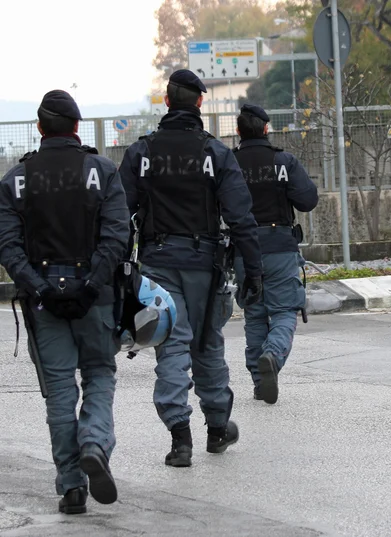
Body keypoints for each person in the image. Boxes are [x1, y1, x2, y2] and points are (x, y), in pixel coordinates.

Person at [119, 70, 262, 467]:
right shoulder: (215, 153)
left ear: (166, 102)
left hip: (158, 265)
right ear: (200, 103)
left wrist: (115, 273)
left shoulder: (141, 153)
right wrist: (254, 273)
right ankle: (217, 427)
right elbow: (241, 219)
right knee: (206, 342)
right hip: (205, 265)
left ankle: (179, 438)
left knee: (171, 344)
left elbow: (116, 217)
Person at [0, 90, 130, 513]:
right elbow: (116, 237)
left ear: (39, 129)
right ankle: (94, 442)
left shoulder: (15, 180)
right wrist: (91, 284)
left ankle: (72, 487)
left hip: (42, 300)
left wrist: (39, 288)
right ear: (77, 127)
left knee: (58, 390)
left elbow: (8, 246)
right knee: (98, 373)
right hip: (95, 296)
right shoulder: (103, 171)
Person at [233, 104, 318, 404]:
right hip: (280, 246)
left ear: (239, 130)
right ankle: (272, 355)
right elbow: (308, 200)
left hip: (244, 249)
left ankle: (259, 382)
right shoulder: (284, 161)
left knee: (254, 315)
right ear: (266, 129)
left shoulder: (229, 163)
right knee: (283, 311)